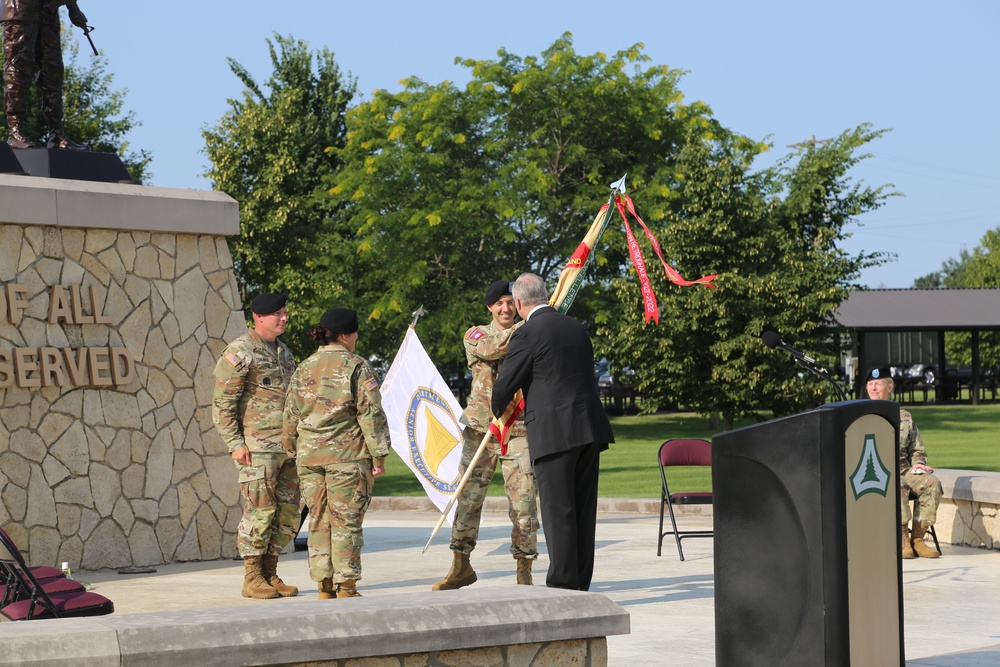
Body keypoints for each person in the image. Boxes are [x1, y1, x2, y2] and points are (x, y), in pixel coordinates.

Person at [491, 273, 614, 591]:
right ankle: (579, 583)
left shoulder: (527, 333)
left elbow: (505, 385)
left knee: (559, 511)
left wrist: (496, 411)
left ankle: (562, 585)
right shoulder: (576, 327)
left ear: (518, 303)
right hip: (588, 428)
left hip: (553, 433)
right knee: (583, 511)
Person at [432, 280, 539, 591]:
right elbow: (492, 350)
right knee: (468, 498)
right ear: (489, 307)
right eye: (499, 303)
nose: (505, 308)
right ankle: (460, 564)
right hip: (481, 430)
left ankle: (524, 567)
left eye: (511, 302)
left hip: (518, 429)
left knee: (525, 502)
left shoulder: (532, 330)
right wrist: (529, 327)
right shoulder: (476, 334)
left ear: (518, 304)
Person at [282, 307, 390, 599]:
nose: (355, 338)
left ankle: (324, 585)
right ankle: (346, 585)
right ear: (344, 335)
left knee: (318, 518)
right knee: (346, 521)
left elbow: (290, 415)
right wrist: (378, 455)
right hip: (347, 457)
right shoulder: (357, 366)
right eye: (354, 333)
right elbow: (371, 415)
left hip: (310, 458)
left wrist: (293, 448)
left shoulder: (304, 367)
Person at [213, 292, 300, 599]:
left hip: (287, 448)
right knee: (260, 512)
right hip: (257, 448)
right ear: (260, 317)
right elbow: (222, 403)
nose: (285, 318)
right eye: (279, 314)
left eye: (285, 313)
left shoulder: (285, 353)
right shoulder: (240, 351)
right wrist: (235, 443)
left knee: (287, 512)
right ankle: (252, 577)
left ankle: (270, 572)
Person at [865, 366, 943, 559]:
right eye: (870, 384)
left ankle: (918, 540)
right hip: (874, 474)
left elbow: (916, 449)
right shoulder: (861, 417)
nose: (873, 388)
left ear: (889, 387)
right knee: (897, 485)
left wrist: (918, 463)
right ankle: (901, 539)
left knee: (933, 484)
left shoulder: (904, 417)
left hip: (904, 470)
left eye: (878, 384)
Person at [2, 0, 89, 149]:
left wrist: (72, 7)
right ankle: (15, 132)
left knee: (52, 69)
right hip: (21, 8)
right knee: (19, 67)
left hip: (47, 11)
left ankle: (57, 134)